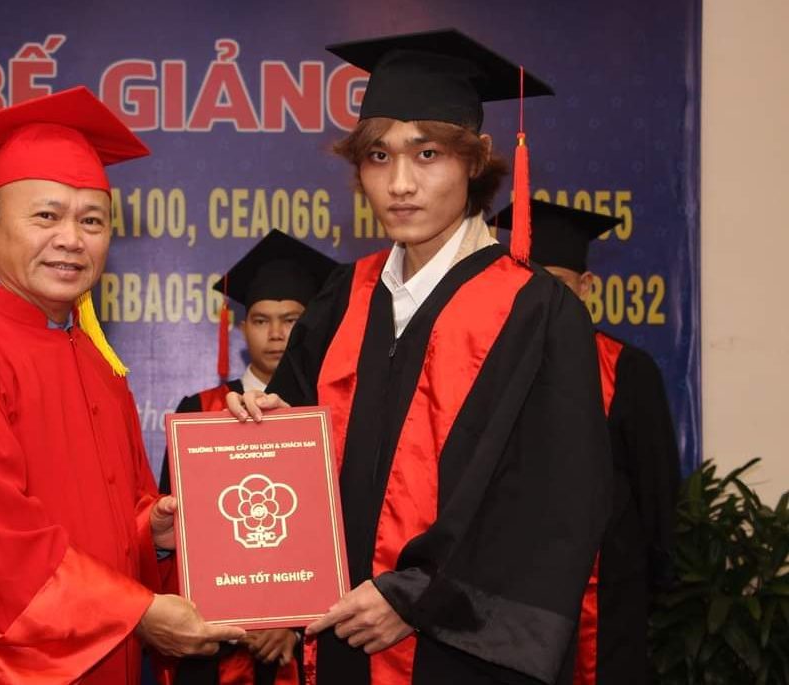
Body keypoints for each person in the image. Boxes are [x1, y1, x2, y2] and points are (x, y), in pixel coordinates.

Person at [227, 30, 613, 684]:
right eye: (378, 156)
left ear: (475, 160)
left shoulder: (538, 312)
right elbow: (293, 462)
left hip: (458, 654)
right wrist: (258, 430)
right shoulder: (342, 298)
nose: (400, 184)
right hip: (338, 636)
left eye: (427, 153)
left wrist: (419, 598)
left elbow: (558, 505)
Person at [0, 86, 243, 685]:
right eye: (46, 216)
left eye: (91, 220)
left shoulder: (96, 361)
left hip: (104, 656)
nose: (72, 239)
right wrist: (138, 610)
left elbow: (102, 520)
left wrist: (151, 534)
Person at [492, 199, 681, 685]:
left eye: (556, 283)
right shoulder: (486, 368)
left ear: (586, 286)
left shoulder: (626, 369)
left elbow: (655, 483)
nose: (542, 297)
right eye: (528, 283)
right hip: (509, 589)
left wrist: (658, 571)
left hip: (608, 585)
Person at [160, 229, 336, 684]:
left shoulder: (331, 413)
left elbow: (338, 533)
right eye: (261, 320)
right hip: (213, 645)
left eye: (291, 319)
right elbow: (175, 533)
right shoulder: (199, 410)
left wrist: (294, 624)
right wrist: (233, 615)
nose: (276, 334)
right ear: (242, 329)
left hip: (310, 647)